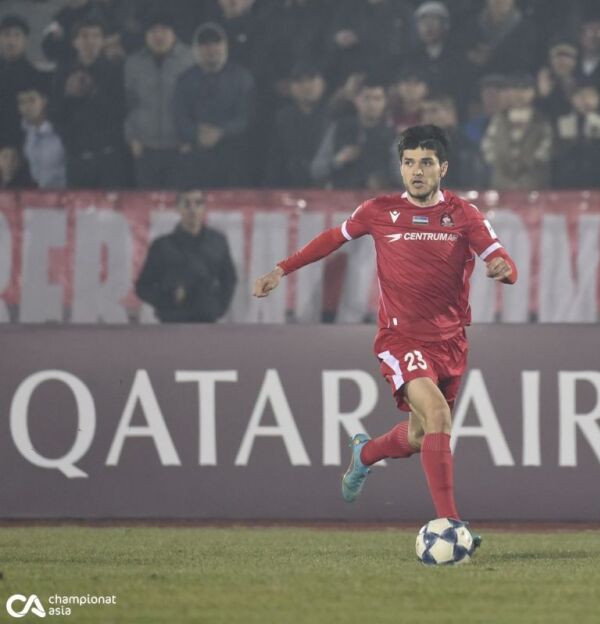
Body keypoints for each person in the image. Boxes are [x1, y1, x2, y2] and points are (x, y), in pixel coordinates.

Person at [252, 124, 517, 537]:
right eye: (409, 163)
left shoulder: (464, 215)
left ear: (443, 168)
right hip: (400, 338)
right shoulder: (378, 211)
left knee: (420, 435)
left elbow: (502, 259)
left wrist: (504, 269)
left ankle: (366, 453)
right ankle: (449, 524)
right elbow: (332, 239)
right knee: (439, 416)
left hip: (450, 342)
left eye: (426, 163)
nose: (417, 171)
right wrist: (281, 270)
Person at [173, 23, 255, 188]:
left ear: (225, 46)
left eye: (216, 43)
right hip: (196, 158)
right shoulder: (185, 80)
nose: (211, 49)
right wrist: (196, 134)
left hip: (234, 158)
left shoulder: (242, 78)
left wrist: (221, 132)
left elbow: (247, 117)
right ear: (195, 49)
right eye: (205, 44)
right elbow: (180, 118)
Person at [135, 189, 237, 323]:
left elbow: (229, 279)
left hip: (207, 321)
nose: (192, 209)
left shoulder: (217, 242)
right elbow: (143, 287)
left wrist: (218, 307)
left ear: (204, 207)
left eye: (198, 203)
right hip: (172, 323)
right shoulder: (162, 246)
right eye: (187, 204)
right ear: (178, 208)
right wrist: (168, 297)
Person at [49, 17, 128, 188]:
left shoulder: (115, 71)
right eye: (84, 36)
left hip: (109, 157)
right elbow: (54, 113)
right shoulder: (63, 73)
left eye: (96, 36)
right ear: (74, 42)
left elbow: (121, 111)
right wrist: (69, 96)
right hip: (77, 158)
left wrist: (94, 93)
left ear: (103, 41)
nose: (90, 41)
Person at [124, 11, 193, 188]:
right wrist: (132, 138)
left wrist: (191, 138)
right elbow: (127, 104)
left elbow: (198, 102)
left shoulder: (190, 59)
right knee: (147, 199)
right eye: (153, 31)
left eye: (164, 30)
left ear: (174, 33)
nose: (159, 36)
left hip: (181, 147)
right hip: (145, 148)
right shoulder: (133, 63)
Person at [311, 78, 396, 189]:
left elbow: (401, 176)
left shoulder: (392, 135)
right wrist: (338, 160)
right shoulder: (339, 128)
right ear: (356, 100)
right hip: (341, 195)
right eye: (366, 98)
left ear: (385, 102)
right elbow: (316, 171)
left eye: (377, 99)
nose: (371, 104)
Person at [265, 63, 329, 187]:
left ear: (323, 84)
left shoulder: (334, 115)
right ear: (289, 88)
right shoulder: (282, 118)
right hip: (291, 186)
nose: (306, 86)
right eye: (299, 81)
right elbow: (275, 160)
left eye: (312, 79)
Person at [0, 14, 44, 147]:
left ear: (25, 41)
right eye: (6, 35)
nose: (11, 41)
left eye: (17, 35)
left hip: (17, 143)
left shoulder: (34, 76)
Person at [17, 83, 66, 189]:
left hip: (66, 192)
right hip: (34, 193)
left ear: (44, 101)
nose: (27, 107)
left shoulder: (61, 130)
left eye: (32, 100)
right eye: (22, 102)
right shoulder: (21, 134)